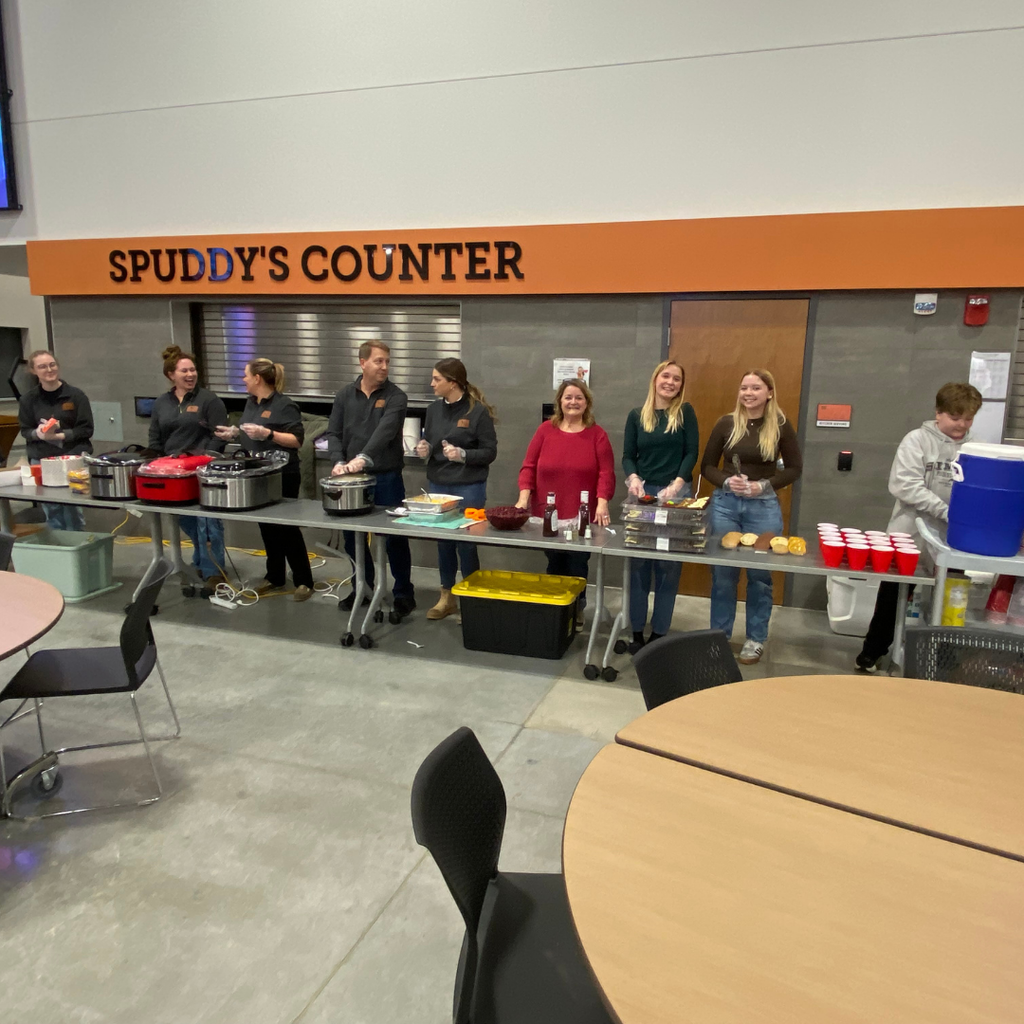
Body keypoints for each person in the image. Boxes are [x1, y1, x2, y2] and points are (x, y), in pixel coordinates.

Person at [856, 382, 982, 672]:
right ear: (938, 413)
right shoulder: (916, 440)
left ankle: (944, 660)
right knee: (893, 596)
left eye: (968, 419)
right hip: (909, 533)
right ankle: (872, 652)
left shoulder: (974, 448)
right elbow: (904, 485)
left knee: (950, 601)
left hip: (953, 538)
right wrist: (946, 511)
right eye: (955, 417)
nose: (961, 425)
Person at [701, 369, 802, 665]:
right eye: (744, 387)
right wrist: (725, 481)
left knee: (759, 577)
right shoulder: (726, 423)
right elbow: (707, 466)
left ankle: (755, 639)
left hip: (763, 507)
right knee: (723, 575)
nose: (748, 393)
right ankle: (717, 637)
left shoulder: (781, 425)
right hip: (725, 505)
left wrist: (763, 485)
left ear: (769, 392)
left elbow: (794, 468)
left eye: (755, 388)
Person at [325, 340, 415, 618]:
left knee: (393, 539)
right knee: (353, 539)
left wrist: (362, 458)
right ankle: (362, 587)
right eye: (379, 361)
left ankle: (403, 593)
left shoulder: (396, 397)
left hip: (386, 477)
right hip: (352, 481)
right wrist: (339, 461)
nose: (384, 367)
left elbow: (385, 432)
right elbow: (333, 434)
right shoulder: (344, 396)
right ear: (363, 362)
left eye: (387, 361)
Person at [215, 359, 313, 601]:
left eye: (246, 375)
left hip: (283, 474)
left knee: (286, 528)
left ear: (258, 378)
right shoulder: (251, 403)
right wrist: (235, 433)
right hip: (258, 473)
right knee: (267, 527)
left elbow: (297, 440)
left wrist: (268, 433)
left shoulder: (285, 405)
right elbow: (251, 428)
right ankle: (275, 576)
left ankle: (304, 581)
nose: (243, 379)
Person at [622, 360, 699, 650]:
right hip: (643, 494)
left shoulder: (685, 413)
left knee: (668, 565)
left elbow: (692, 452)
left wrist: (677, 484)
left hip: (674, 495)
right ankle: (637, 629)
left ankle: (660, 631)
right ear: (655, 379)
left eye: (677, 379)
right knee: (639, 562)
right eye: (665, 376)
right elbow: (628, 454)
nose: (670, 382)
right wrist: (633, 478)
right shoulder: (636, 416)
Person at [414, 358, 497, 620]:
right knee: (444, 543)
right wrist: (424, 448)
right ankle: (446, 595)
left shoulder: (478, 412)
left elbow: (489, 452)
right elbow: (430, 440)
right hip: (439, 483)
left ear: (453, 383)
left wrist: (463, 454)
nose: (432, 384)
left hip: (469, 485)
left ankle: (472, 597)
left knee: (467, 544)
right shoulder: (433, 410)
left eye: (437, 379)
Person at [516, 378, 615, 583]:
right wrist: (523, 500)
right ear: (560, 402)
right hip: (548, 512)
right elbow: (529, 467)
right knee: (554, 563)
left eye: (579, 398)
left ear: (586, 403)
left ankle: (577, 608)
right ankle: (557, 611)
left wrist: (603, 503)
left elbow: (606, 473)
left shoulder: (598, 435)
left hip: (582, 516)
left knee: (577, 564)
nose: (573, 402)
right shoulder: (544, 431)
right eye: (568, 397)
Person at [148, 345, 228, 585]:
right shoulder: (162, 402)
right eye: (184, 371)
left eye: (193, 370)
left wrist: (208, 457)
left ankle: (214, 572)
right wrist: (155, 463)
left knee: (208, 523)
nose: (191, 375)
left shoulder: (209, 400)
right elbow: (155, 437)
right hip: (173, 475)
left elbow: (219, 434)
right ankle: (201, 560)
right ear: (171, 374)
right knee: (187, 521)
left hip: (203, 471)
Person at [17, 349, 94, 531]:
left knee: (74, 509)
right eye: (42, 367)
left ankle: (77, 548)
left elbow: (86, 429)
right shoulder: (28, 400)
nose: (49, 370)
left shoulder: (76, 396)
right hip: (43, 461)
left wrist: (60, 435)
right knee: (52, 510)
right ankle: (59, 550)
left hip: (72, 459)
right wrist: (39, 434)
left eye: (52, 365)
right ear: (34, 371)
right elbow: (25, 430)